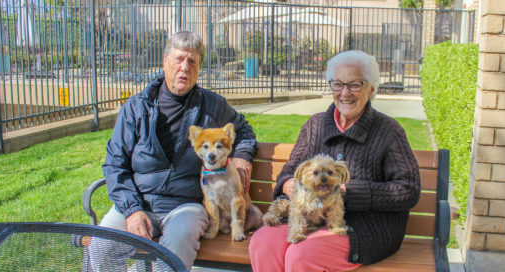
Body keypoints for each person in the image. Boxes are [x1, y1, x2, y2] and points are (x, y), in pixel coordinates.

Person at [89, 30, 257, 270]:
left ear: (199, 67)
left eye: (192, 61)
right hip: (138, 203)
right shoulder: (136, 108)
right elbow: (115, 164)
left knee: (176, 246)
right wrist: (132, 210)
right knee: (100, 246)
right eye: (179, 59)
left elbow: (245, 132)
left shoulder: (212, 106)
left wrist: (241, 159)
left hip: (185, 206)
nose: (184, 67)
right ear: (164, 60)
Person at [248, 50, 421, 271]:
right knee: (263, 243)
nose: (345, 93)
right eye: (338, 84)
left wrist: (350, 192)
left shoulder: (389, 132)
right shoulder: (315, 125)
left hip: (364, 228)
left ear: (372, 88)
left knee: (301, 256)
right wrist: (288, 184)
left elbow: (408, 189)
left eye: (355, 84)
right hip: (309, 218)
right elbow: (290, 170)